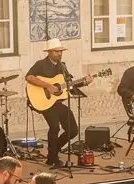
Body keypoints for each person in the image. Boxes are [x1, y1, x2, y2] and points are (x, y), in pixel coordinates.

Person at [25, 39, 90, 169]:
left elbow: (69, 84)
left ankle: (54, 150)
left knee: (73, 130)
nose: (60, 54)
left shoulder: (62, 66)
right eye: (56, 51)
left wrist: (84, 82)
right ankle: (52, 158)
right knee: (54, 127)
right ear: (49, 52)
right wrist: (48, 85)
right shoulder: (41, 64)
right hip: (43, 101)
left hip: (56, 102)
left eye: (61, 51)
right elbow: (29, 77)